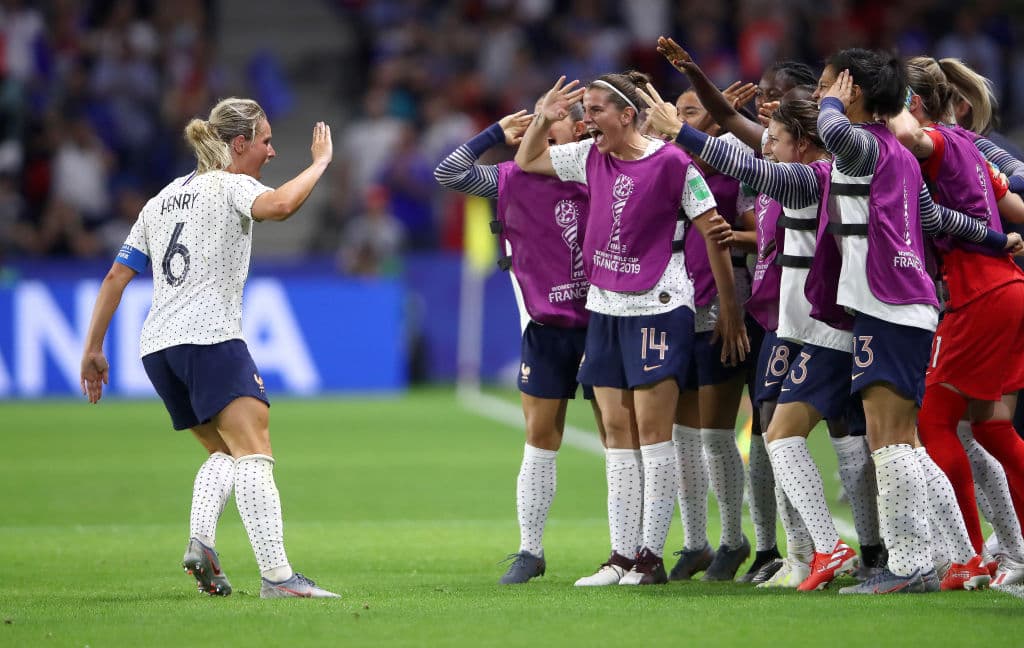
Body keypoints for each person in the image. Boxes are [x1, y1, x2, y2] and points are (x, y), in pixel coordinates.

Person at [79, 97, 339, 599]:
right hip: (211, 337)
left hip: (159, 349)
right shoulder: (230, 184)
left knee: (224, 452)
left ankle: (202, 545)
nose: (270, 150)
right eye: (264, 141)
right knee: (256, 452)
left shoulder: (162, 198)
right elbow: (281, 206)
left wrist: (93, 347)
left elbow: (117, 274)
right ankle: (279, 578)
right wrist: (320, 163)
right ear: (239, 144)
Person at [516, 73, 749, 586]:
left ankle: (649, 557)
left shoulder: (673, 163)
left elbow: (712, 227)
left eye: (596, 110)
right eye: (585, 111)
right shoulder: (590, 158)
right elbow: (528, 161)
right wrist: (542, 117)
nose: (586, 120)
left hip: (660, 304)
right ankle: (621, 556)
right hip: (605, 304)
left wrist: (729, 307)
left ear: (626, 115)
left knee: (652, 433)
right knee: (617, 435)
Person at [812, 50, 1020, 594]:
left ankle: (909, 566)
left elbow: (833, 131)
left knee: (890, 440)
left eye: (830, 84)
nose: (820, 94)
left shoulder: (867, 147)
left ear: (854, 89)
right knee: (907, 438)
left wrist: (835, 104)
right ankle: (950, 555)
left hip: (888, 302)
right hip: (910, 302)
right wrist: (1001, 239)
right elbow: (935, 218)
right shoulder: (899, 155)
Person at [434, 103, 606, 584]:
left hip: (606, 322)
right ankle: (530, 550)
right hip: (547, 328)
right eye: (541, 138)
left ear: (582, 131)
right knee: (540, 438)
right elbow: (448, 172)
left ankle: (626, 551)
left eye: (557, 137)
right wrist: (492, 132)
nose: (549, 148)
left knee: (617, 437)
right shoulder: (512, 178)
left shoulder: (604, 170)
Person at [890, 55, 1024, 589]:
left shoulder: (939, 142)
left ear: (915, 103)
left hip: (978, 293)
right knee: (991, 426)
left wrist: (894, 102)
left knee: (933, 421)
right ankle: (1011, 552)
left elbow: (911, 138)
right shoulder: (971, 146)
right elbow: (1012, 205)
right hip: (1007, 285)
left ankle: (967, 554)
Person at [669, 88, 755, 583]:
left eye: (690, 112)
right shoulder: (665, 165)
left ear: (718, 122)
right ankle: (695, 542)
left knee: (717, 435)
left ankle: (733, 539)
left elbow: (757, 234)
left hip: (721, 307)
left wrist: (731, 304)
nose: (678, 120)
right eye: (676, 112)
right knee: (683, 437)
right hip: (673, 309)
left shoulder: (737, 170)